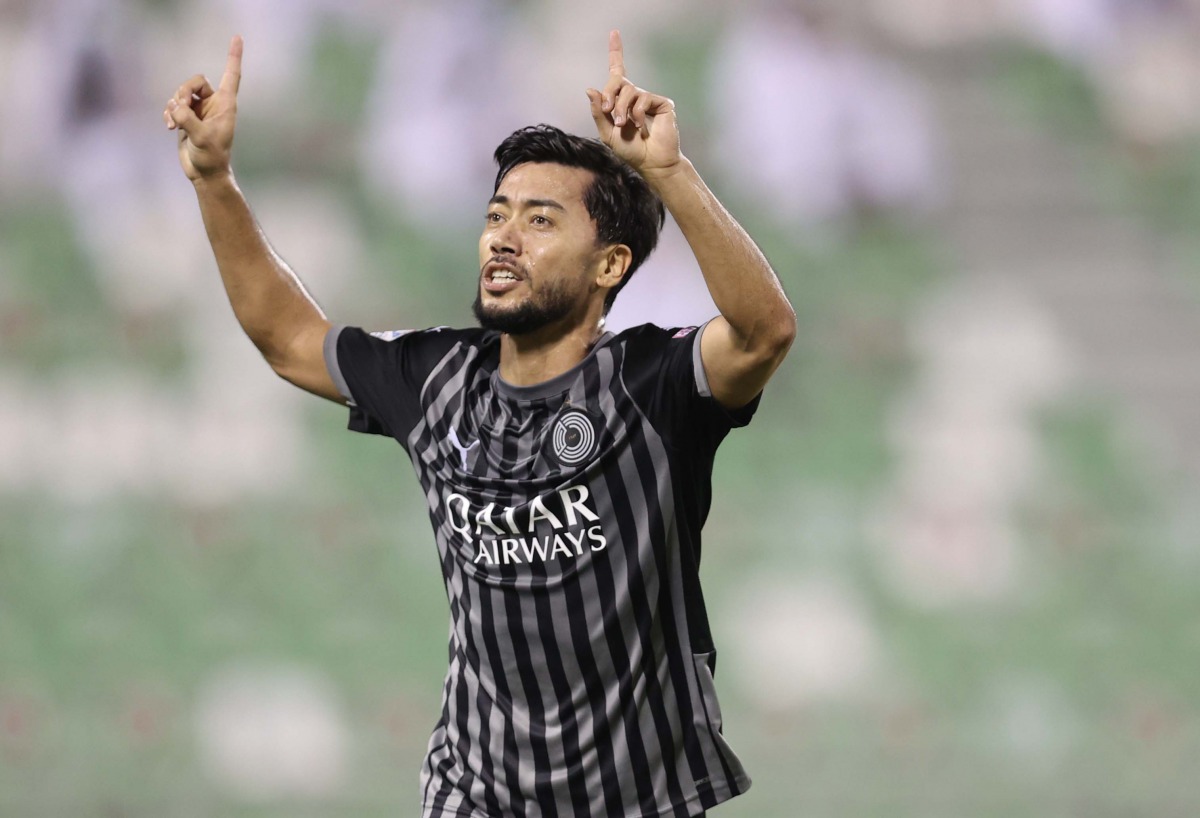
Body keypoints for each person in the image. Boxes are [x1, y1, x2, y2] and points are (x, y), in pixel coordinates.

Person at [163, 30, 795, 818]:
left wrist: (667, 172)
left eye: (540, 221)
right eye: (497, 214)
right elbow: (288, 339)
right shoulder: (437, 378)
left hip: (640, 797)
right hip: (475, 794)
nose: (502, 236)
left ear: (609, 264)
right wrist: (213, 179)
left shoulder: (651, 384)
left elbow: (764, 333)